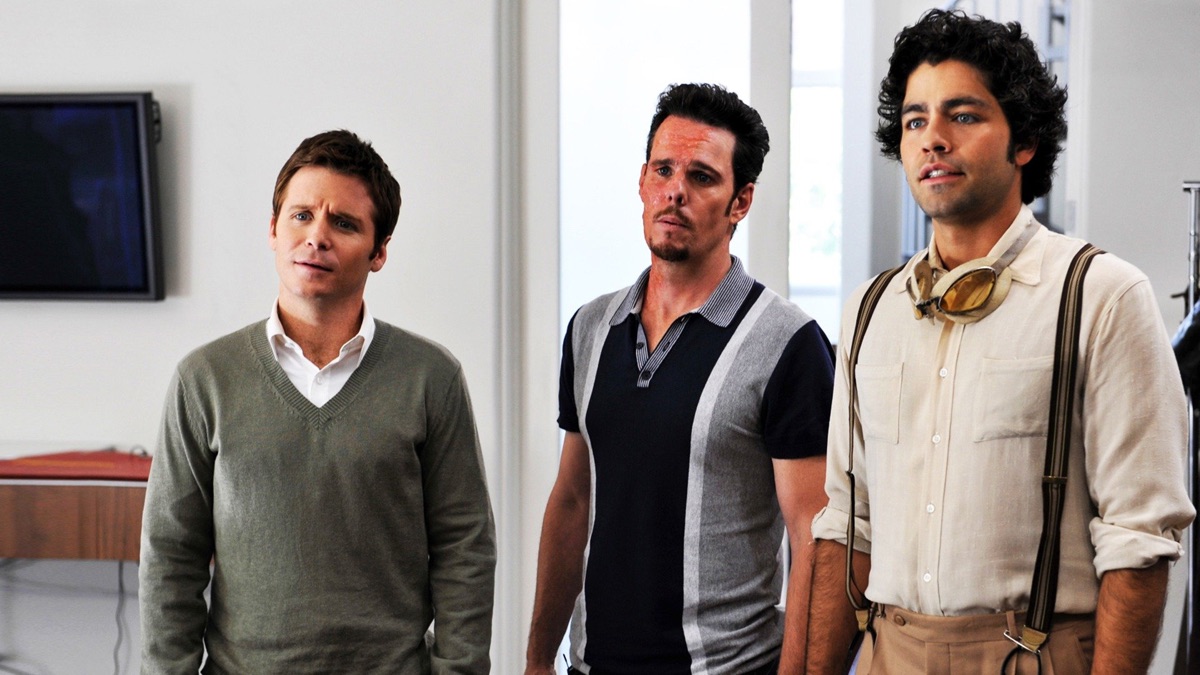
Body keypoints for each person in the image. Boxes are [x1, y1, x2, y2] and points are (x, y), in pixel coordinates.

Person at [807, 10, 1195, 674]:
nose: (933, 139)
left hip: (1034, 653)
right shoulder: (869, 312)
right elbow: (847, 521)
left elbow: (1138, 542)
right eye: (914, 121)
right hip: (886, 652)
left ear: (1025, 141)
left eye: (963, 115)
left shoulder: (1101, 296)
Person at [139, 130, 496, 674]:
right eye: (301, 216)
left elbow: (465, 547)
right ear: (273, 229)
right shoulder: (204, 377)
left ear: (379, 252)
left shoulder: (431, 377)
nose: (317, 237)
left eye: (344, 224)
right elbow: (171, 554)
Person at [525, 83, 834, 675]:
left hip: (728, 668)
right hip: (592, 665)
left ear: (740, 202)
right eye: (663, 170)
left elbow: (814, 539)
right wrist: (538, 658)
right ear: (642, 181)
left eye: (702, 177)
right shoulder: (590, 327)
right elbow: (571, 499)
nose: (675, 191)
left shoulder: (788, 343)